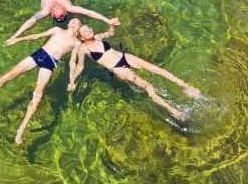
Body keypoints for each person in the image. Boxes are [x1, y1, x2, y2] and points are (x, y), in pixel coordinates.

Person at [0, 18, 92, 144]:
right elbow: (37, 36)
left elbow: (72, 62)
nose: (72, 22)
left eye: (76, 21)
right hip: (40, 54)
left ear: (79, 26)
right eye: (72, 20)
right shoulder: (57, 30)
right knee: (8, 76)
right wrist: (17, 39)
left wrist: (71, 80)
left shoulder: (76, 43)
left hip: (51, 63)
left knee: (38, 94)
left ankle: (21, 129)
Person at [69, 22, 201, 121]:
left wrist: (111, 25)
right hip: (119, 69)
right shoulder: (83, 49)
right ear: (81, 37)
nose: (88, 31)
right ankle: (173, 110)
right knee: (148, 86)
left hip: (126, 57)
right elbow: (79, 67)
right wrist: (72, 81)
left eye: (88, 28)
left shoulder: (98, 37)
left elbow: (110, 33)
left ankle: (186, 87)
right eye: (84, 31)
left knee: (157, 69)